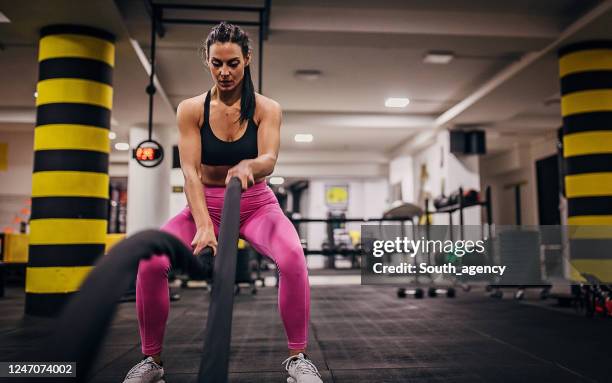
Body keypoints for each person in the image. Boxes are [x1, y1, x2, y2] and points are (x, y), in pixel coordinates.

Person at [122, 22, 323, 383]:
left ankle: (298, 359)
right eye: (217, 63)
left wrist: (250, 164)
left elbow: (270, 158)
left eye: (233, 63)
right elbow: (189, 173)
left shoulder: (267, 108)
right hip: (205, 204)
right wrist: (202, 223)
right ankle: (151, 362)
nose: (225, 72)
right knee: (151, 263)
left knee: (293, 258)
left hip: (256, 204)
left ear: (247, 60)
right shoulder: (190, 109)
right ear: (207, 61)